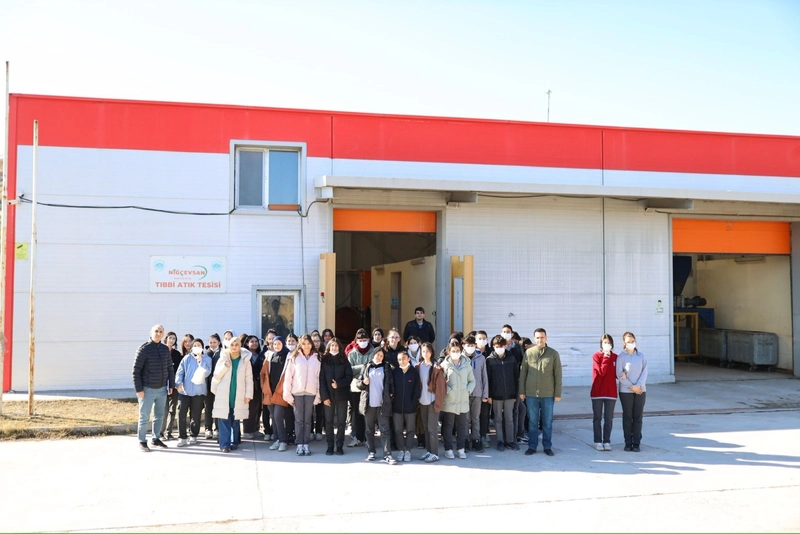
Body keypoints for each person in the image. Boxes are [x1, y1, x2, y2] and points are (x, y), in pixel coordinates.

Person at [519, 328, 562, 456]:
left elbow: (558, 375)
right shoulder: (529, 353)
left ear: (546, 338)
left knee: (547, 422)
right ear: (534, 338)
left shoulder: (553, 354)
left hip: (548, 394)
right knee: (532, 422)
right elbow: (523, 373)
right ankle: (532, 446)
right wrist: (522, 391)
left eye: (542, 337)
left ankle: (547, 446)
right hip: (531, 393)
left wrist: (557, 393)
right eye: (537, 337)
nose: (540, 340)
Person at [132, 324, 174, 452]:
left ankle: (156, 439)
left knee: (159, 416)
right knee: (144, 417)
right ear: (151, 333)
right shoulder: (144, 349)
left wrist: (171, 385)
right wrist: (139, 390)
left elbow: (170, 368)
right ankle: (142, 441)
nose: (158, 333)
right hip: (147, 390)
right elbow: (136, 371)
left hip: (162, 389)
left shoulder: (165, 349)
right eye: (156, 331)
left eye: (161, 331)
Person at [211, 336, 253, 453]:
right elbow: (216, 375)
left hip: (238, 393)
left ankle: (234, 442)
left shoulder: (245, 360)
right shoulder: (223, 358)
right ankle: (225, 445)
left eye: (237, 345)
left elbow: (249, 379)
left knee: (235, 419)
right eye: (232, 345)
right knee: (224, 418)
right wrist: (225, 366)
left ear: (240, 346)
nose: (234, 347)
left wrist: (248, 394)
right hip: (224, 393)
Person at [282, 334, 321, 456]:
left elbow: (318, 377)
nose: (306, 346)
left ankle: (306, 444)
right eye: (304, 344)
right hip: (297, 392)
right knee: (299, 420)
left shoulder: (316, 358)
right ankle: (299, 444)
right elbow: (288, 377)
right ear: (300, 344)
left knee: (308, 420)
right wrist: (287, 394)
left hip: (310, 392)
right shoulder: (294, 357)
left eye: (308, 343)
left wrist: (318, 395)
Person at [357, 347, 396, 464]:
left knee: (385, 430)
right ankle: (371, 452)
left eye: (381, 355)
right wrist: (363, 383)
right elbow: (359, 384)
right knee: (369, 430)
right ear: (373, 355)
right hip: (369, 403)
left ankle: (387, 454)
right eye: (377, 354)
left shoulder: (386, 367)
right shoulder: (366, 366)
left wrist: (391, 395)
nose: (379, 357)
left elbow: (391, 383)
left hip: (382, 403)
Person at [441, 339, 475, 459]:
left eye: (457, 350)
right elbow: (441, 383)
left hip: (463, 400)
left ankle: (461, 448)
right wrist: (448, 390)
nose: (456, 353)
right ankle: (448, 449)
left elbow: (472, 380)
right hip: (449, 400)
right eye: (453, 351)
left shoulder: (466, 364)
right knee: (448, 426)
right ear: (449, 352)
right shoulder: (444, 365)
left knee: (462, 426)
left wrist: (467, 390)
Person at [174, 337, 212, 447]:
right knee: (181, 413)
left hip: (198, 392)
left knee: (196, 415)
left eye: (199, 345)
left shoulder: (207, 359)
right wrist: (178, 383)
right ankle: (182, 437)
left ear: (202, 347)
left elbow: (207, 372)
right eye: (195, 345)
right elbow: (180, 372)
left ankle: (193, 434)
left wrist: (200, 361)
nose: (197, 347)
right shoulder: (186, 358)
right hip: (184, 391)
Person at [319, 337, 353, 455]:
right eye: (332, 345)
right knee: (328, 422)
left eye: (336, 345)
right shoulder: (324, 360)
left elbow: (349, 377)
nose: (334, 348)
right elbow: (322, 380)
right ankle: (330, 446)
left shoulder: (344, 360)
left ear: (339, 347)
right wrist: (324, 397)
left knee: (341, 422)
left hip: (341, 396)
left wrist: (338, 384)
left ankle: (339, 446)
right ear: (329, 347)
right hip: (328, 396)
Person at [485, 335, 519, 451]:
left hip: (510, 394)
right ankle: (500, 440)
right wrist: (489, 395)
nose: (499, 348)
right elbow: (488, 379)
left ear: (505, 346)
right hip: (496, 395)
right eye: (496, 346)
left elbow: (516, 377)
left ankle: (510, 440)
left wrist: (515, 394)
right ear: (493, 347)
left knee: (509, 418)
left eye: (501, 346)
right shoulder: (489, 360)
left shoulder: (512, 359)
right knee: (498, 419)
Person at [617, 331, 647, 452]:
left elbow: (644, 372)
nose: (631, 343)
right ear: (624, 343)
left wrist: (638, 386)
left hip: (640, 391)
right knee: (628, 417)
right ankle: (628, 443)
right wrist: (631, 386)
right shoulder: (621, 357)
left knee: (638, 417)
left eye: (633, 341)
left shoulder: (641, 356)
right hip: (626, 392)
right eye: (628, 342)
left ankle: (636, 443)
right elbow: (619, 374)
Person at [416, 342, 445, 462]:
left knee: (432, 428)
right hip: (422, 401)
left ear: (432, 352)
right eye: (423, 351)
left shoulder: (436, 367)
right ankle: (429, 451)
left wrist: (438, 402)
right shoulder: (418, 366)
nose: (425, 353)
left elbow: (441, 388)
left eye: (428, 351)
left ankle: (435, 453)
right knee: (426, 428)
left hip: (432, 401)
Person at [391, 351, 421, 462]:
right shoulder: (395, 372)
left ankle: (408, 450)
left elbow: (417, 390)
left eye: (404, 358)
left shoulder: (414, 372)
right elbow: (391, 388)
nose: (401, 361)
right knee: (398, 430)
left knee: (410, 430)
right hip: (397, 407)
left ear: (408, 358)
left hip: (410, 408)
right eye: (399, 359)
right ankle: (401, 450)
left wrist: (413, 403)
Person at [264, 336, 292, 451]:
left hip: (281, 391)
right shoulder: (270, 356)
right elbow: (265, 373)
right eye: (275, 344)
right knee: (273, 417)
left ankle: (283, 441)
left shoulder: (288, 356)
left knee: (277, 415)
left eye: (279, 343)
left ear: (283, 344)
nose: (276, 346)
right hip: (270, 391)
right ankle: (277, 439)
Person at [591, 334, 618, 451]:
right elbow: (601, 372)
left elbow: (617, 374)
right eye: (605, 342)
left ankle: (607, 441)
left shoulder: (616, 357)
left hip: (611, 392)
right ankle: (598, 441)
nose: (607, 345)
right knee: (597, 418)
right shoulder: (596, 356)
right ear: (601, 344)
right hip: (598, 392)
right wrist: (606, 356)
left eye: (609, 342)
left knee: (609, 419)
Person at [347, 328, 373, 447]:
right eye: (360, 340)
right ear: (356, 341)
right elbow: (349, 370)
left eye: (364, 339)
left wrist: (360, 369)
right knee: (357, 413)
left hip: (369, 386)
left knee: (368, 413)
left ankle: (368, 438)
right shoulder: (352, 354)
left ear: (368, 340)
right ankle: (358, 437)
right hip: (356, 386)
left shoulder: (373, 352)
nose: (362, 342)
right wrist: (363, 367)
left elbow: (373, 367)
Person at [464, 335, 488, 453]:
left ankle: (476, 440)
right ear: (463, 345)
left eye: (472, 345)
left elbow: (484, 377)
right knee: (465, 419)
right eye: (468, 345)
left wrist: (485, 394)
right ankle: (464, 440)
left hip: (478, 393)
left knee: (476, 418)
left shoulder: (481, 358)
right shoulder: (460, 358)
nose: (470, 347)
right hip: (464, 394)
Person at [160, 331, 185, 440]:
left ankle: (168, 432)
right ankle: (160, 432)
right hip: (161, 385)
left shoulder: (177, 354)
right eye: (170, 338)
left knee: (172, 409)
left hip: (173, 385)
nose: (171, 340)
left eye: (174, 338)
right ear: (166, 339)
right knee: (163, 410)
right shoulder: (160, 351)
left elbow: (179, 370)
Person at [243, 335, 265, 439]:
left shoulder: (261, 355)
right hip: (249, 384)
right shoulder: (244, 355)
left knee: (258, 407)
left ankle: (256, 429)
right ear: (247, 343)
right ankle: (247, 430)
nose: (255, 343)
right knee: (250, 408)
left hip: (259, 384)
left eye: (256, 341)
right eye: (252, 341)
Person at [203, 333, 221, 439]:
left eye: (214, 342)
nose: (212, 344)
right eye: (211, 342)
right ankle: (208, 428)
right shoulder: (206, 354)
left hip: (218, 384)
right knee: (208, 407)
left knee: (217, 406)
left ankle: (217, 429)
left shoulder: (222, 353)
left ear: (219, 342)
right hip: (207, 384)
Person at [310, 330, 325, 442]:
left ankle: (319, 431)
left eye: (318, 341)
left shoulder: (325, 355)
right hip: (310, 385)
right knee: (310, 410)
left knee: (320, 410)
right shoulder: (308, 355)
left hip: (321, 385)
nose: (316, 343)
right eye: (314, 341)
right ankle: (310, 431)